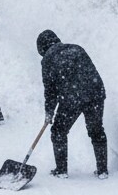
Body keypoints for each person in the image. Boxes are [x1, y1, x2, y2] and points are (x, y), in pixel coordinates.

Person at [37, 29, 108, 179]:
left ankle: (61, 170)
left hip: (72, 98)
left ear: (42, 48)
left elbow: (50, 91)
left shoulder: (48, 59)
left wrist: (49, 112)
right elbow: (90, 71)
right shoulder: (76, 48)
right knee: (96, 131)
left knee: (58, 131)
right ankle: (102, 170)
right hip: (95, 93)